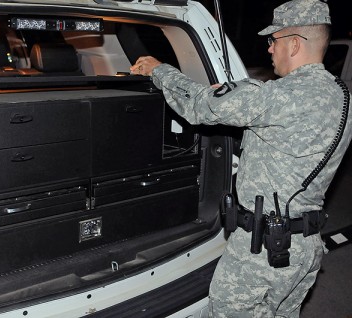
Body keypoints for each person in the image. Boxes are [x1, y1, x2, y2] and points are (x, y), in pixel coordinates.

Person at [130, 0, 351, 317]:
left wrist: (158, 70)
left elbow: (199, 105)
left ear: (293, 44)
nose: (269, 50)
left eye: (273, 41)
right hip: (305, 250)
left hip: (259, 255)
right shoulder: (342, 97)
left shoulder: (275, 96)